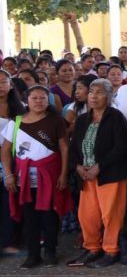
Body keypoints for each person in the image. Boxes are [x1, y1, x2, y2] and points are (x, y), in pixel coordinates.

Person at [0, 86, 71, 268]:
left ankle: (50, 252)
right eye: (34, 98)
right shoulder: (15, 123)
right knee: (29, 217)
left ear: (48, 101)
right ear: (27, 100)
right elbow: (6, 150)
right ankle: (33, 254)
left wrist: (63, 174)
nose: (39, 101)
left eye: (42, 98)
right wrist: (8, 174)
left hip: (50, 177)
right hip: (24, 179)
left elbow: (64, 148)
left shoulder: (56, 121)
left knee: (49, 215)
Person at [67, 79, 127, 268]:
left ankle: (111, 250)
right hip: (86, 176)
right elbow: (73, 147)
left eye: (100, 92)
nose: (94, 96)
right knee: (87, 215)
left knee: (110, 214)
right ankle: (92, 248)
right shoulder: (82, 120)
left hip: (109, 174)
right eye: (92, 92)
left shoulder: (116, 118)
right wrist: (77, 166)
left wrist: (99, 166)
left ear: (109, 96)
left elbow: (121, 148)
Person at [0, 70, 25, 257]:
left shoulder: (20, 108)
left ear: (10, 85)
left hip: (14, 158)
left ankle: (9, 241)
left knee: (9, 201)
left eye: (3, 82)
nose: (0, 86)